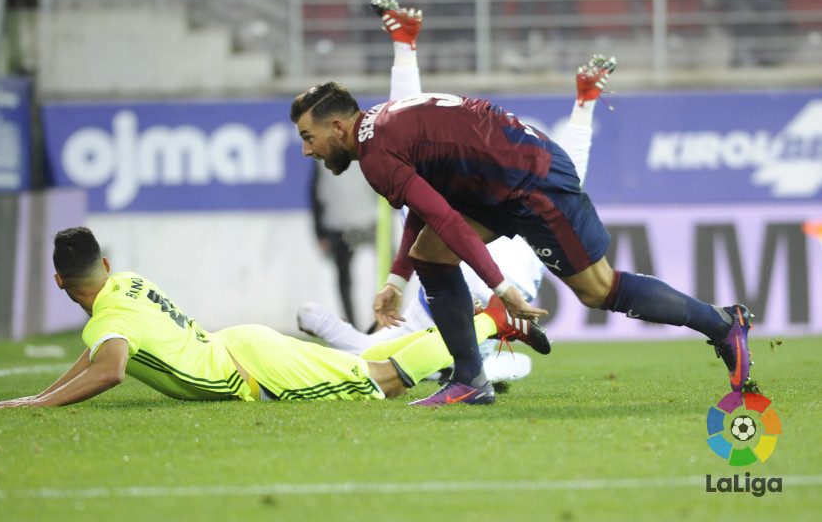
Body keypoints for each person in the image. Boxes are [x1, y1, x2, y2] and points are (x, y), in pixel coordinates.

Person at [290, 50, 757, 409]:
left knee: (599, 291)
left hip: (532, 183)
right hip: (501, 181)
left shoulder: (375, 155)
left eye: (309, 138)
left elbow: (447, 217)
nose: (308, 151)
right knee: (429, 255)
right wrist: (397, 279)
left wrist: (501, 287)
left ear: (336, 126)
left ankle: (722, 324)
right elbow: (429, 208)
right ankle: (470, 381)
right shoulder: (384, 123)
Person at [299, 0, 615, 383]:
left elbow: (343, 336)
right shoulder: (407, 337)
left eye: (307, 138)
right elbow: (330, 328)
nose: (307, 149)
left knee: (398, 153)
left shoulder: (406, 334)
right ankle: (405, 44)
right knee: (399, 144)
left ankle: (584, 103)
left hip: (498, 275)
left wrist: (389, 287)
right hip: (497, 275)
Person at [0, 227, 527, 409]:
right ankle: (489, 320)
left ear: (59, 282)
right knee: (365, 360)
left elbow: (111, 368)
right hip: (243, 344)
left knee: (379, 383)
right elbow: (98, 354)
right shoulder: (125, 285)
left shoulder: (105, 324)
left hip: (253, 371)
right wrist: (44, 393)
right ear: (103, 263)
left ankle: (488, 322)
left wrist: (41, 403)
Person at [309, 158, 378, 328]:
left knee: (392, 273)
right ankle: (353, 327)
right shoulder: (321, 156)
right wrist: (320, 233)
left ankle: (381, 321)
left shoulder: (368, 148)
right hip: (344, 226)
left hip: (370, 222)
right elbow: (316, 193)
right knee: (345, 279)